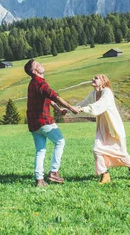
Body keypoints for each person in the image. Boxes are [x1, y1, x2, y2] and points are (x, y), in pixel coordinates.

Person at [25, 59, 79, 187]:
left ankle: (39, 180)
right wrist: (72, 108)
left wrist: (59, 110)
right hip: (43, 121)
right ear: (34, 71)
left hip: (33, 123)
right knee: (60, 141)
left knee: (40, 150)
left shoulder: (32, 83)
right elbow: (54, 96)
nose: (41, 65)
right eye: (38, 65)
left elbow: (48, 98)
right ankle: (54, 172)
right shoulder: (40, 82)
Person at [75, 74, 130, 184]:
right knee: (96, 149)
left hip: (113, 127)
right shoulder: (93, 93)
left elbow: (99, 105)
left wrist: (82, 109)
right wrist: (72, 108)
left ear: (103, 82)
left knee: (121, 152)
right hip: (102, 127)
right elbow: (83, 103)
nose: (93, 79)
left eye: (96, 78)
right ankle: (105, 174)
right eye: (93, 77)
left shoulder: (107, 92)